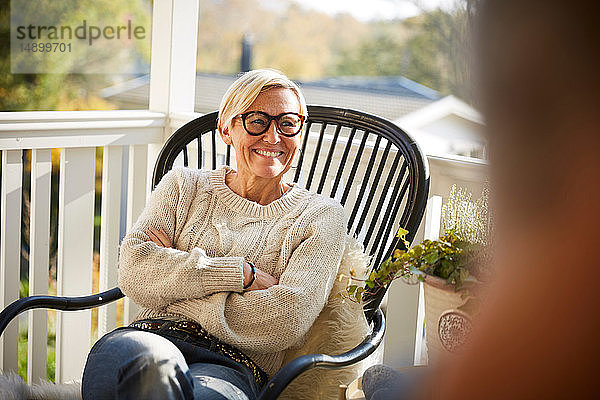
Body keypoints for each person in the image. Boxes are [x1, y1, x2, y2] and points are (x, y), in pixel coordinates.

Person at [81, 69, 348, 400]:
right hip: (147, 340)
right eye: (257, 121)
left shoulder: (321, 216)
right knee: (153, 369)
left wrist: (175, 279)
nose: (273, 136)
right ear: (227, 129)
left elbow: (287, 319)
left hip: (233, 367)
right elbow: (134, 271)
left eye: (288, 122)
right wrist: (242, 275)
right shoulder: (183, 186)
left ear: (301, 130)